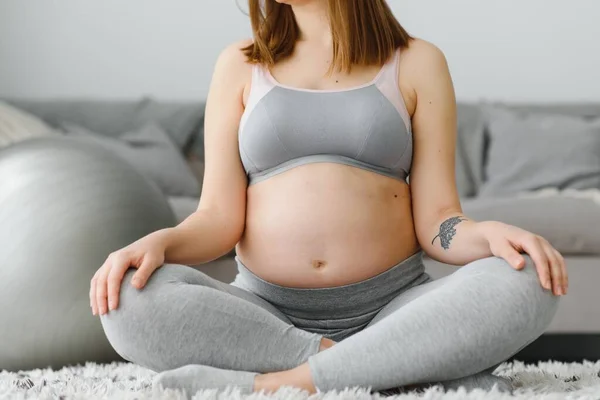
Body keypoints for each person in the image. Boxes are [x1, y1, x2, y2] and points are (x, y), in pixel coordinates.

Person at [91, 0, 566, 396]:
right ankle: (387, 369)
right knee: (127, 299)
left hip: (394, 308)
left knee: (528, 279)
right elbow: (217, 217)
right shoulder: (240, 63)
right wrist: (161, 243)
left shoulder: (418, 61)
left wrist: (487, 234)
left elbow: (439, 221)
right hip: (265, 314)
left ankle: (272, 385)